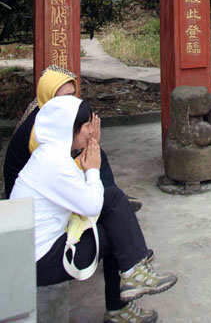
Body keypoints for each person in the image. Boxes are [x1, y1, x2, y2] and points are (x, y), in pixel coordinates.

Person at [11, 95, 177, 323]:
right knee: (113, 224)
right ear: (71, 128)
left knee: (113, 204)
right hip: (39, 261)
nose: (92, 130)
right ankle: (125, 295)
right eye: (87, 125)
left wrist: (91, 152)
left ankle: (132, 275)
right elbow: (91, 204)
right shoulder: (55, 163)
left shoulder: (50, 155)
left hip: (33, 250)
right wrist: (93, 170)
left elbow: (80, 189)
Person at [3, 65, 142, 212]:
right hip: (27, 204)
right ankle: (109, 199)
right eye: (65, 96)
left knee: (95, 152)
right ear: (48, 95)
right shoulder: (37, 131)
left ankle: (111, 195)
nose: (71, 100)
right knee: (93, 155)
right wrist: (89, 147)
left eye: (73, 95)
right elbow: (58, 171)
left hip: (47, 183)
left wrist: (90, 145)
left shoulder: (47, 112)